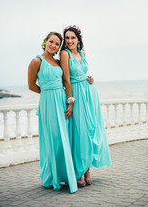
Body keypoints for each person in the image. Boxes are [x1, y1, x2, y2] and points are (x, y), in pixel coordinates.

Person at [60, 25, 111, 187]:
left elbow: (84, 72)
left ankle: (87, 170)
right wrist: (70, 102)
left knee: (89, 132)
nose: (69, 41)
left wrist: (91, 79)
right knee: (79, 134)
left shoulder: (83, 53)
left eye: (72, 37)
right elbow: (66, 80)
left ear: (78, 39)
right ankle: (79, 171)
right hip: (76, 96)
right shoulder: (64, 54)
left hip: (89, 94)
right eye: (67, 38)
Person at [28, 31, 78, 193]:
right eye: (51, 41)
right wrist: (47, 92)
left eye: (57, 43)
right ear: (45, 42)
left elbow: (68, 79)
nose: (54, 45)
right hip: (48, 103)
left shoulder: (57, 62)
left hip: (62, 101)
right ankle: (51, 177)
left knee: (64, 140)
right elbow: (31, 85)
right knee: (52, 140)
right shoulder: (37, 61)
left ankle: (65, 174)